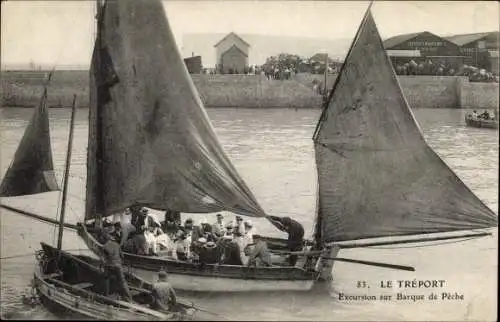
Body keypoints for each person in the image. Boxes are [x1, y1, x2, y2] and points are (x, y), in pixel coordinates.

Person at [101, 233, 133, 301]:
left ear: (105, 239)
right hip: (118, 265)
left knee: (106, 279)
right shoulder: (117, 245)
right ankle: (129, 298)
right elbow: (122, 256)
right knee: (123, 282)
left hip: (109, 265)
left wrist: (102, 266)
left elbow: (103, 258)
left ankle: (106, 295)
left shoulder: (104, 246)